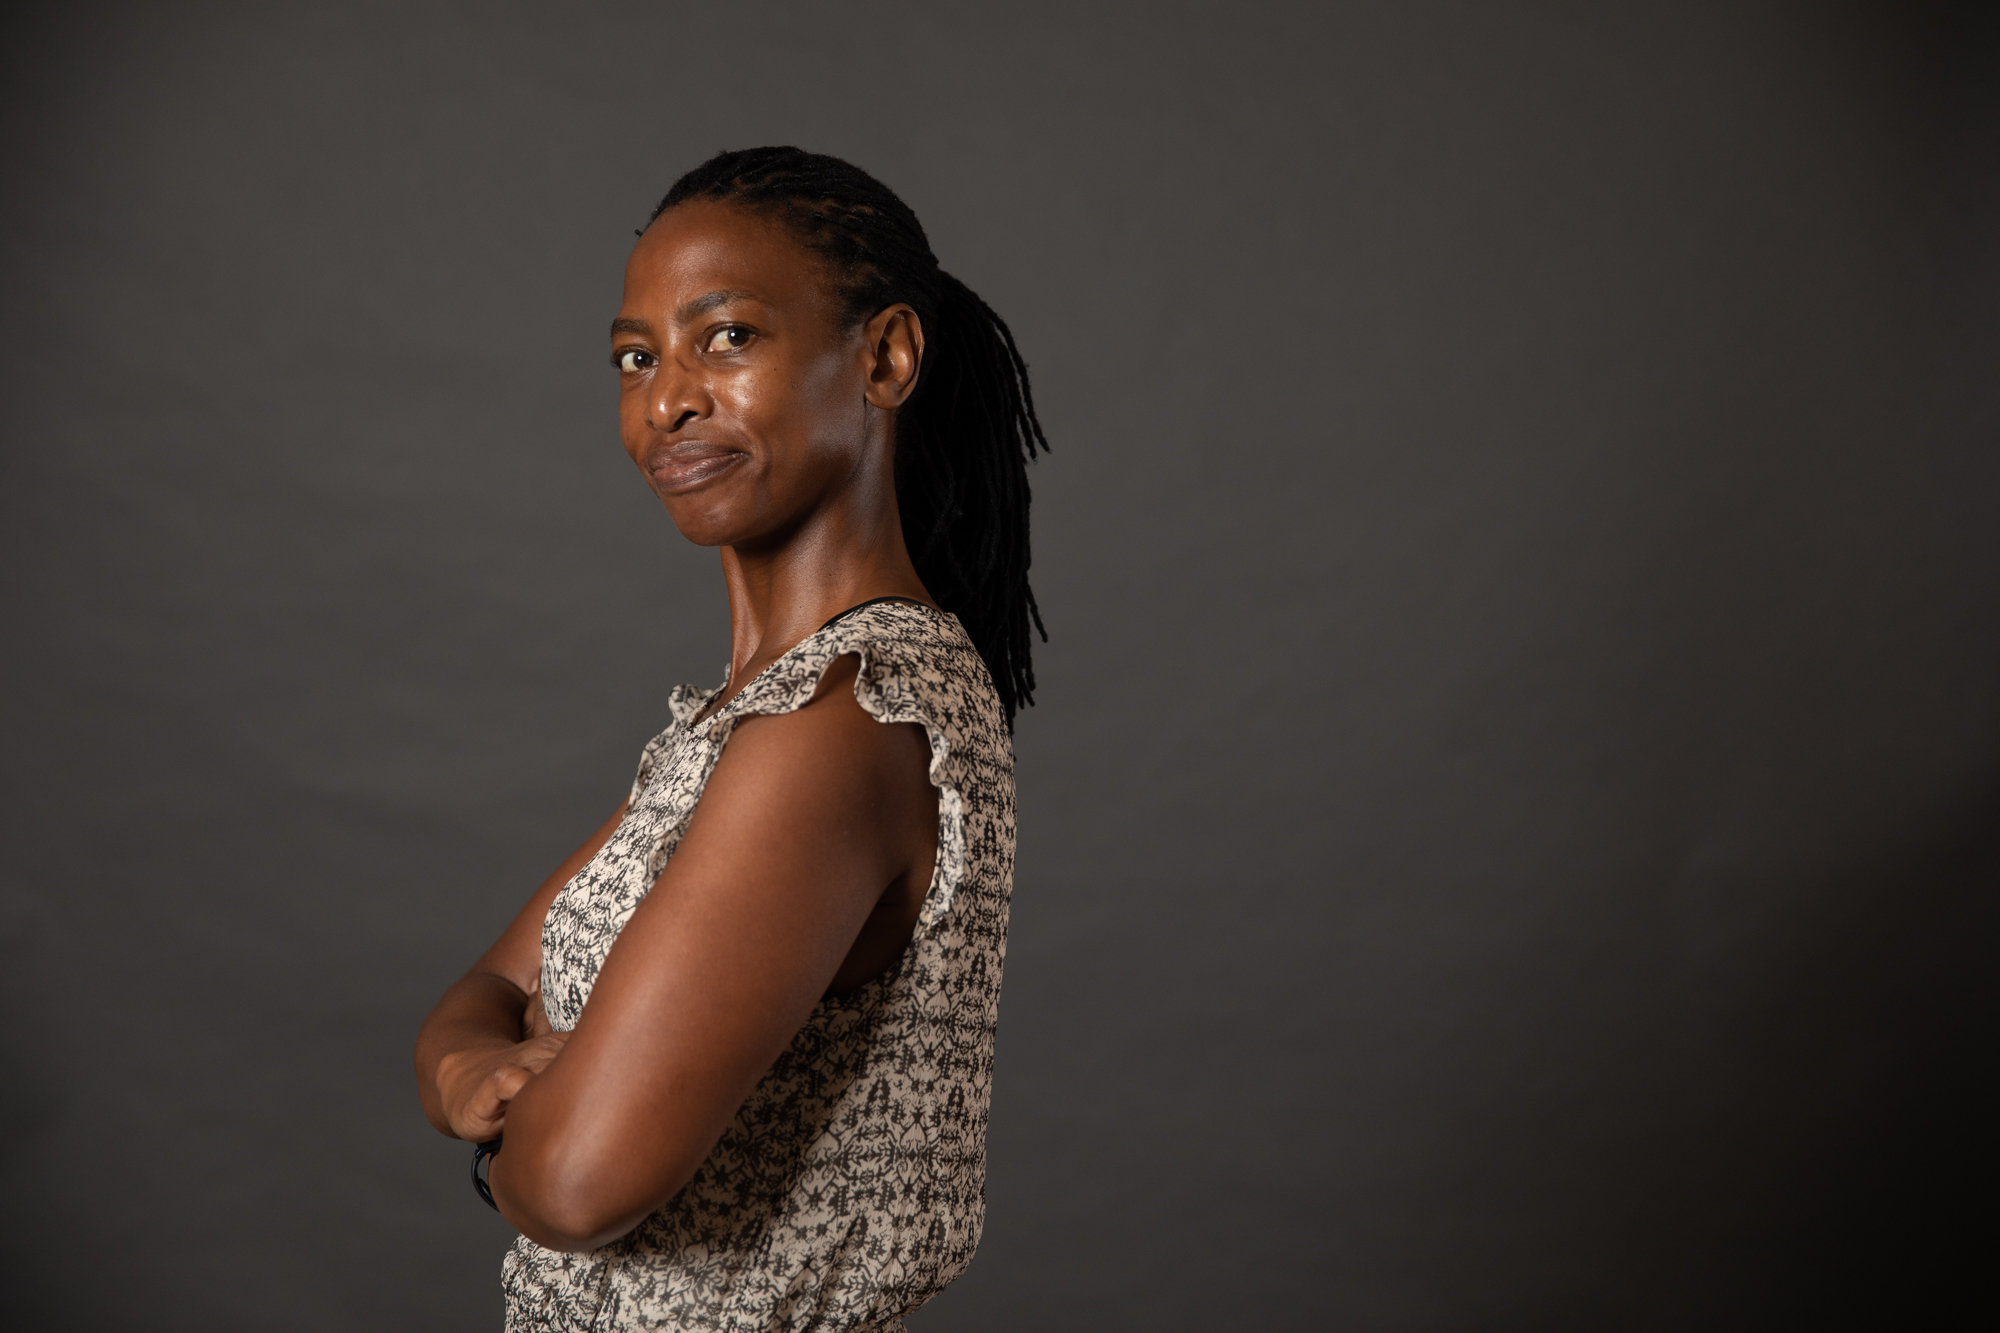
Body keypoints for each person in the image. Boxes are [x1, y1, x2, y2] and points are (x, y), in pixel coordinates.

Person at [413, 146, 1047, 1332]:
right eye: (636, 357)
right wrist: (470, 1064)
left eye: (727, 337)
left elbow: (577, 1182)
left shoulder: (841, 718)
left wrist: (509, 1125)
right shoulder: (751, 717)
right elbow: (487, 989)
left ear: (883, 358)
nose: (666, 400)